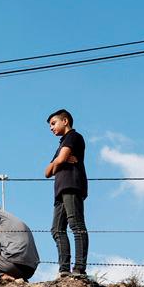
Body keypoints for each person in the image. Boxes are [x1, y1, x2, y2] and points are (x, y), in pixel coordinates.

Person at [44, 108, 88, 277]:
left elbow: (60, 161)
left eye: (53, 123)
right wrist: (59, 160)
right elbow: (47, 172)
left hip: (72, 185)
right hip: (60, 190)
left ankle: (79, 268)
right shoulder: (61, 145)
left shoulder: (73, 137)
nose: (51, 128)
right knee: (56, 229)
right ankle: (64, 270)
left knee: (76, 225)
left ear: (65, 121)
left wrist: (59, 161)